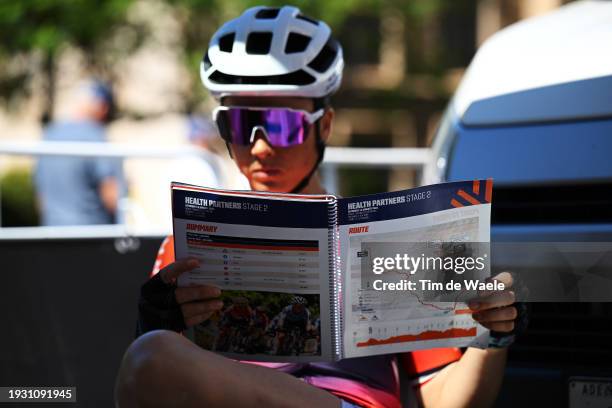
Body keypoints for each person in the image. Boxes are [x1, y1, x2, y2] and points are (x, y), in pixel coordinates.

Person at [116, 6, 522, 408]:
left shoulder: (395, 243)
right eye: (238, 125)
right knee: (152, 354)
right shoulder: (185, 247)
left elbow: (443, 401)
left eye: (280, 126)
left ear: (324, 126)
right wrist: (154, 323)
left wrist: (493, 338)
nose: (259, 147)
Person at [34, 80, 124, 225]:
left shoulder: (49, 134)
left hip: (52, 233)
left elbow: (41, 198)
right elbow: (110, 195)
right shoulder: (95, 136)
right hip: (91, 237)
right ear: (102, 106)